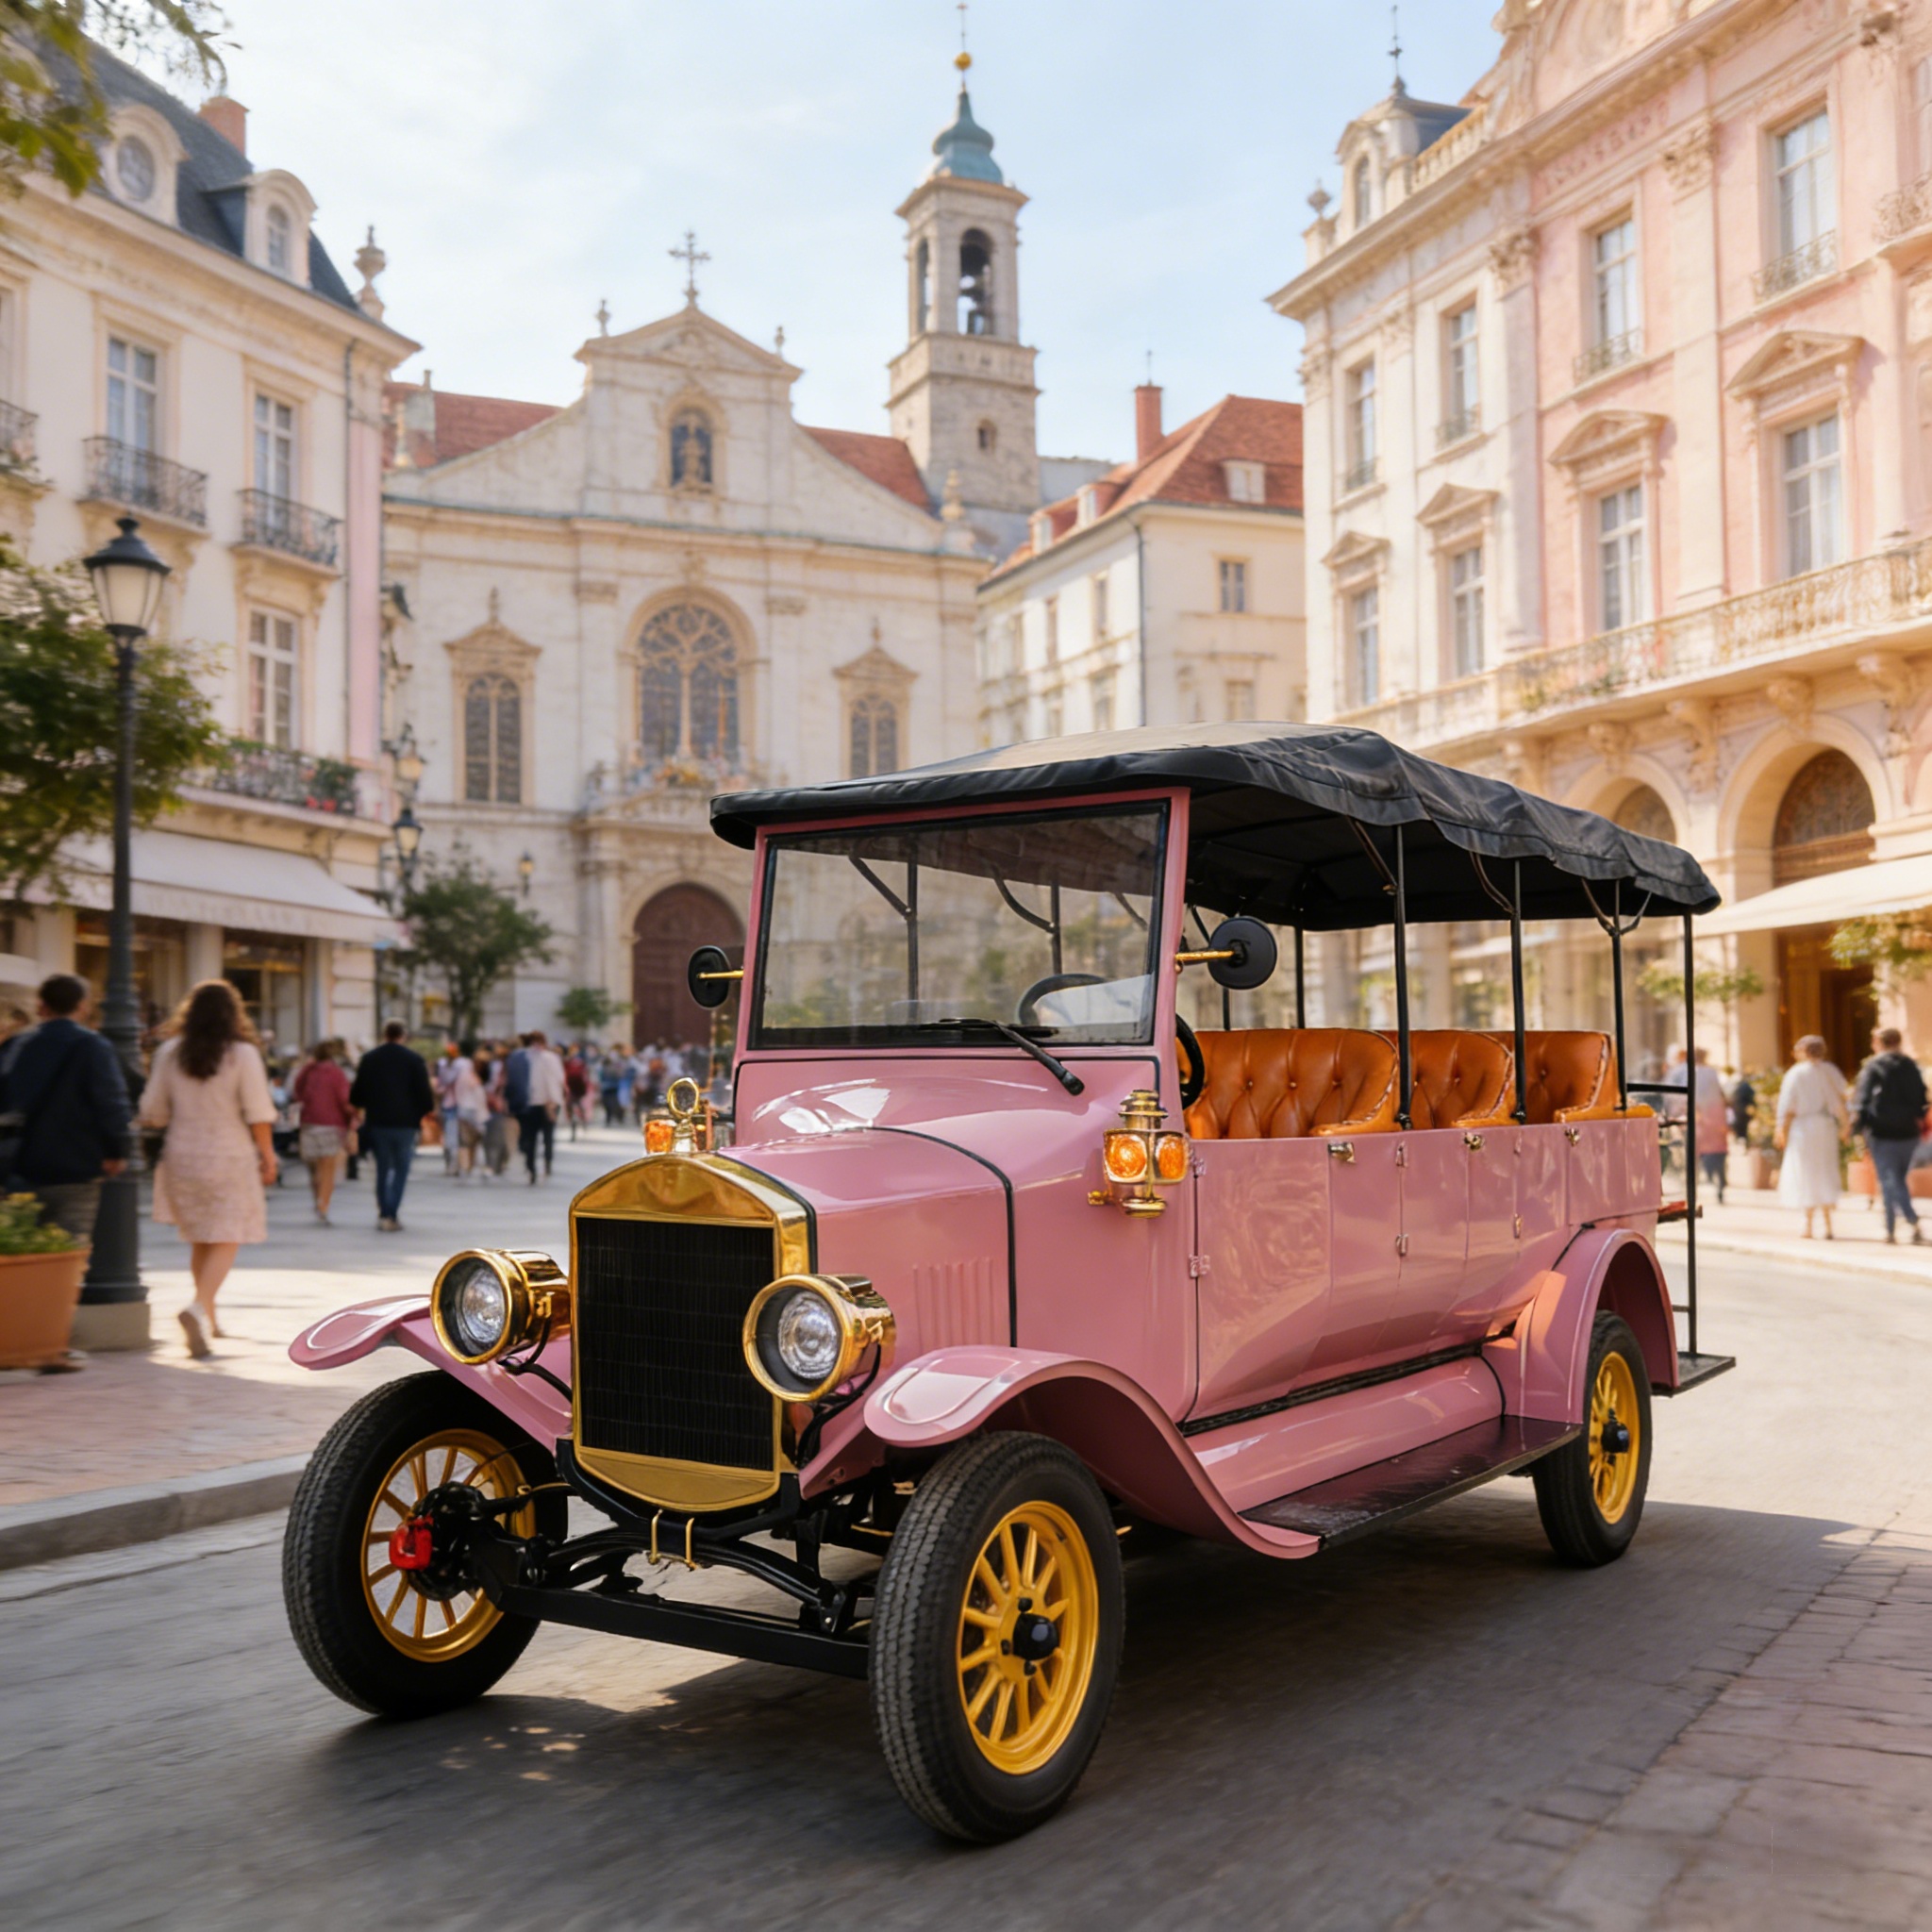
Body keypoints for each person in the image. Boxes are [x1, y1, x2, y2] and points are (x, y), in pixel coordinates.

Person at [139, 979, 278, 1357]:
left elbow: (153, 1112)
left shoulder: (170, 1052)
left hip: (182, 1154)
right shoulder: (242, 1054)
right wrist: (268, 1156)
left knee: (201, 1237)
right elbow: (258, 1113)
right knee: (227, 1236)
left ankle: (209, 1318)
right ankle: (199, 1307)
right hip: (229, 1154)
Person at [0, 973, 132, 1245]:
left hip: (18, 1164)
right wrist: (117, 1150)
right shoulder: (93, 1045)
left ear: (42, 1006)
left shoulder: (16, 1045)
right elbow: (111, 1102)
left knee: (19, 1246)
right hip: (76, 1165)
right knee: (69, 1245)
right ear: (82, 1006)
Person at [348, 1021, 435, 1232]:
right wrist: (418, 1115)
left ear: (385, 1035)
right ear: (403, 1036)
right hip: (406, 1124)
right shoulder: (414, 1060)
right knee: (401, 1169)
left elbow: (356, 1095)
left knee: (382, 1168)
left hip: (378, 1122)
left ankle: (384, 1211)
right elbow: (425, 1097)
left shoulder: (370, 1059)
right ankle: (392, 1211)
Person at [1852, 1026, 1928, 1246]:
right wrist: (1918, 1118)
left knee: (1889, 1180)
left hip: (1881, 1132)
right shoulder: (1910, 1065)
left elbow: (1863, 1099)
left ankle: (1906, 1221)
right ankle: (1892, 1228)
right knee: (1895, 1179)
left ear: (1878, 1042)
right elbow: (1922, 1098)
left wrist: (1858, 1127)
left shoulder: (1873, 1066)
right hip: (1908, 1132)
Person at [1775, 1034, 1849, 1240]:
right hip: (1826, 1126)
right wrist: (1845, 1125)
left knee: (1805, 1172)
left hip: (1803, 1128)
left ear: (1803, 1051)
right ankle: (1828, 1225)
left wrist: (1781, 1129)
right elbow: (1841, 1101)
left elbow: (1787, 1106)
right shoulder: (1830, 1071)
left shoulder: (1796, 1073)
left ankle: (1807, 1224)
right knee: (1825, 1170)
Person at [291, 1040, 354, 1224]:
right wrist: (353, 1118)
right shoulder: (337, 1073)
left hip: (309, 1122)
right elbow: (344, 1099)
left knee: (314, 1169)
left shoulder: (307, 1071)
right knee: (327, 1169)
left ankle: (317, 1199)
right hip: (331, 1124)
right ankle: (323, 1206)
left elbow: (296, 1092)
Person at [516, 1029, 567, 1183]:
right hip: (548, 1103)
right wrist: (554, 1100)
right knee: (548, 1136)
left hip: (530, 1103)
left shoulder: (523, 1057)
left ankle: (531, 1167)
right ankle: (547, 1162)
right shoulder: (550, 1058)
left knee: (530, 1138)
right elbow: (556, 1080)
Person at [1686, 1047, 1729, 1205]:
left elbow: (1691, 1097)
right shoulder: (1711, 1072)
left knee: (1698, 1153)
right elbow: (1720, 1094)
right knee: (1718, 1151)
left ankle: (1697, 1187)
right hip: (1715, 1115)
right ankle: (1720, 1182)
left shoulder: (1692, 1073)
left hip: (1700, 1117)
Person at [432, 1040, 465, 1174]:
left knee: (454, 1136)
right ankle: (452, 1163)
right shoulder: (444, 1065)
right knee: (451, 1136)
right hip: (450, 1104)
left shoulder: (460, 1065)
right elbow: (439, 1085)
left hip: (458, 1104)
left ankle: (455, 1164)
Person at [1729, 1069, 1757, 1152]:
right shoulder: (1746, 1086)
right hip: (1743, 1110)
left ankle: (1741, 1144)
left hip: (1738, 1110)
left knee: (1740, 1128)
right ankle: (1743, 1145)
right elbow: (1752, 1097)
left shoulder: (1738, 1086)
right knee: (1743, 1129)